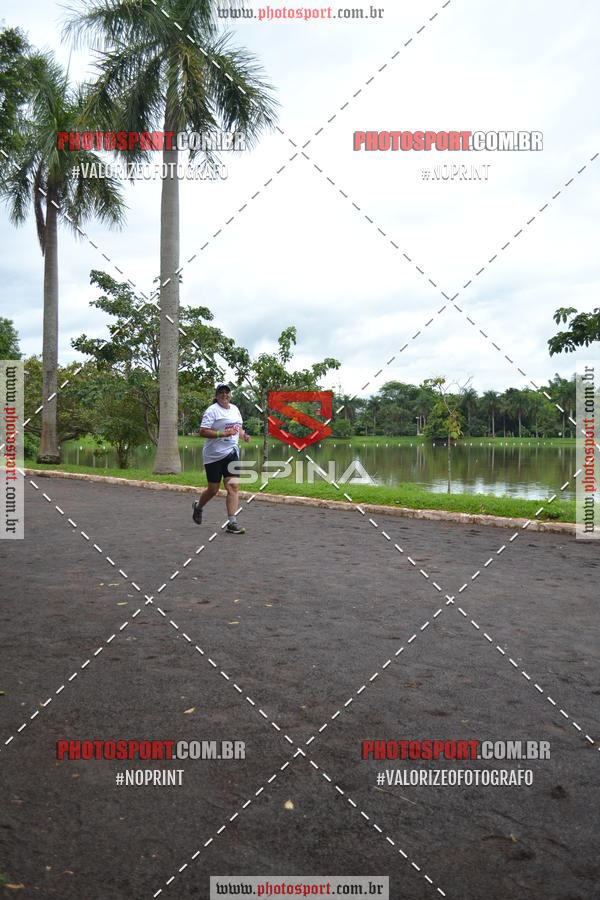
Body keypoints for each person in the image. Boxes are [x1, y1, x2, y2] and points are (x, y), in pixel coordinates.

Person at [192, 383, 251, 534]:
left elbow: (238, 427)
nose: (225, 395)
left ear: (230, 395)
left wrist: (243, 435)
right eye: (221, 393)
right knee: (213, 489)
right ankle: (198, 507)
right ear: (216, 396)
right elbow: (203, 431)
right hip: (214, 455)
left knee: (233, 486)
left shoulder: (235, 409)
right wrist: (222, 434)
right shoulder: (212, 411)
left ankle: (232, 522)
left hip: (232, 452)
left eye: (227, 392)